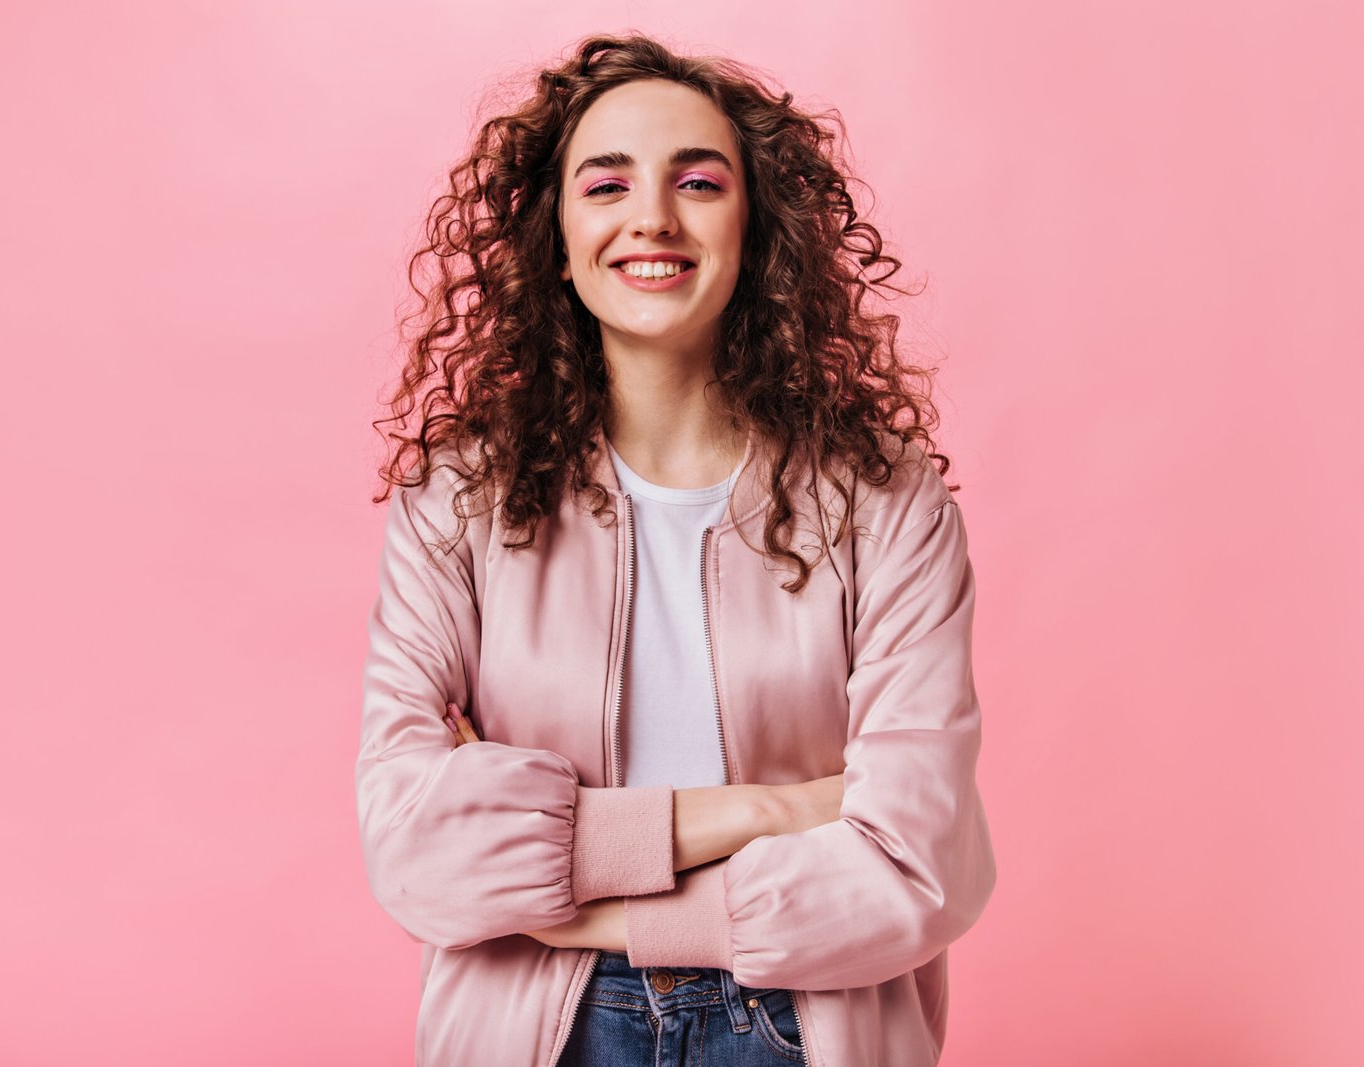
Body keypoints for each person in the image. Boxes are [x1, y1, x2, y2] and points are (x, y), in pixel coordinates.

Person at [356, 32, 996, 1066]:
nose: (652, 216)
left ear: (756, 228)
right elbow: (414, 849)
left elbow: (916, 866)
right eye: (606, 184)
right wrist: (777, 809)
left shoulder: (883, 500)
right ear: (555, 236)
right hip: (536, 1032)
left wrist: (574, 896)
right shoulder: (458, 500)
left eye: (697, 182)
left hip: (801, 1022)